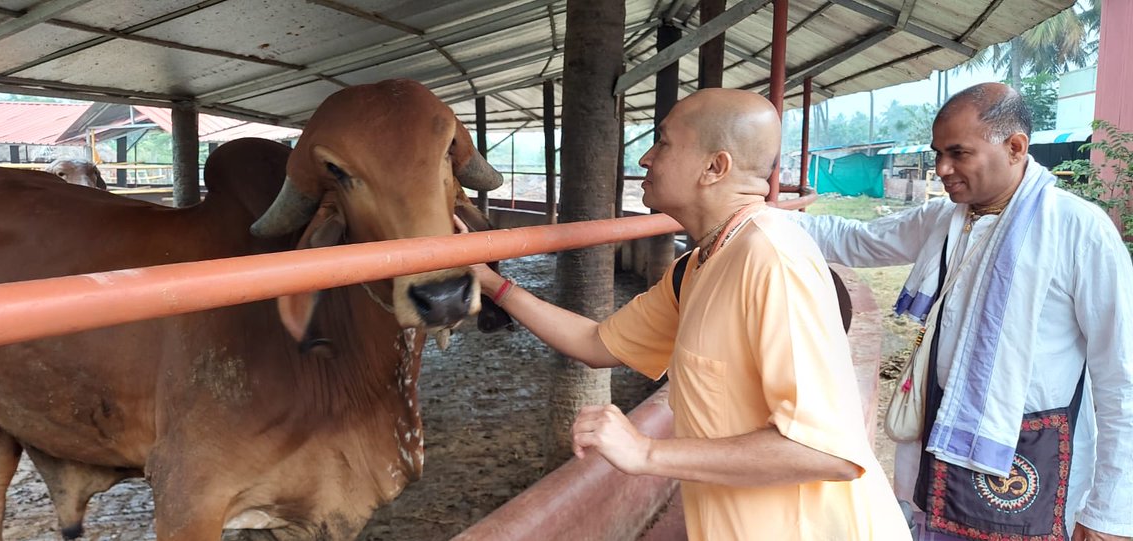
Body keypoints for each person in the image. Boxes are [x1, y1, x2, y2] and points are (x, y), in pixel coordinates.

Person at [463, 88, 910, 540]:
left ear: (715, 167)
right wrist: (494, 284)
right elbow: (596, 344)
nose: (645, 159)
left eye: (663, 143)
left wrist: (647, 453)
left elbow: (826, 452)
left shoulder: (772, 260)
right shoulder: (698, 265)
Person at [791, 83, 1133, 541]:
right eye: (937, 153)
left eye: (958, 153)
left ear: (1014, 147)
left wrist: (1111, 512)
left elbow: (1121, 377)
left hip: (1031, 458)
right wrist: (758, 215)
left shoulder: (1077, 229)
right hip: (942, 445)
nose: (942, 169)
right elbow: (856, 239)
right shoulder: (944, 219)